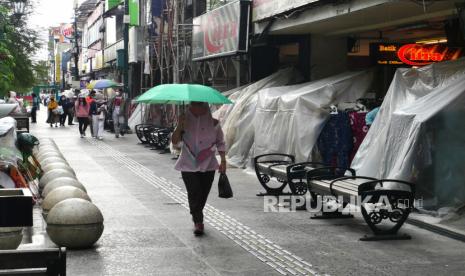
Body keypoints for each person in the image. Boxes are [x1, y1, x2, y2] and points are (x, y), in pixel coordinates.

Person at [171, 101, 226, 236]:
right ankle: (198, 221)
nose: (196, 108)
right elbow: (175, 142)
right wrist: (179, 126)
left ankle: (197, 213)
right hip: (188, 165)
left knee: (203, 194)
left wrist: (223, 160)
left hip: (208, 165)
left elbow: (220, 142)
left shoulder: (214, 123)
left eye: (200, 105)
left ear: (205, 107)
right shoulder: (184, 120)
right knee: (194, 192)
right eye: (193, 105)